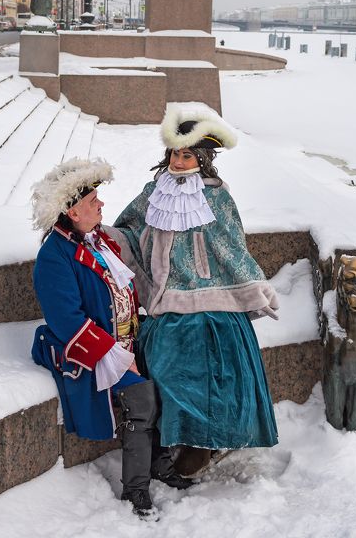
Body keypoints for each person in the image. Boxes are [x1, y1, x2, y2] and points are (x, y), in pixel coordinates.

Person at [111, 102, 279, 477]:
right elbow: (130, 230)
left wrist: (254, 285)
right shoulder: (153, 192)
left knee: (215, 370)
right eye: (175, 153)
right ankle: (180, 440)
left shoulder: (217, 198)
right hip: (166, 303)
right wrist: (105, 238)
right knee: (168, 368)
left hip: (212, 301)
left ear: (202, 159)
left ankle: (203, 444)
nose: (179, 161)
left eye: (187, 155)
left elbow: (232, 247)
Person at [30, 157, 191, 520]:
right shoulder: (54, 257)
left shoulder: (99, 240)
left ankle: (160, 462)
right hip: (88, 350)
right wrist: (115, 354)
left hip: (126, 340)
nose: (101, 204)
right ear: (72, 211)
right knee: (141, 398)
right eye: (93, 201)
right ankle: (135, 490)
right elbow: (67, 321)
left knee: (168, 369)